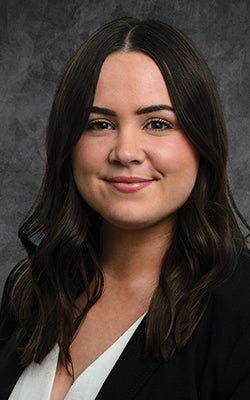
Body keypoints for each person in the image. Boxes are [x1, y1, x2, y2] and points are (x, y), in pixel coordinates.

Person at [0, 16, 250, 400]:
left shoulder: (240, 308)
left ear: (202, 142)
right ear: (69, 143)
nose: (126, 152)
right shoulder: (30, 287)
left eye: (157, 123)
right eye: (99, 124)